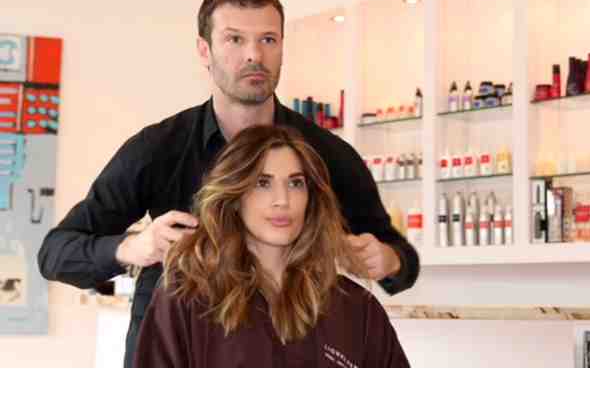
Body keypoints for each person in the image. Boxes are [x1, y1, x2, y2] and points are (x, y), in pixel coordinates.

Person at [38, 0, 419, 367]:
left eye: (268, 39)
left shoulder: (327, 154)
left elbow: (399, 260)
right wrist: (135, 247)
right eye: (235, 39)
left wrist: (386, 259)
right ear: (204, 50)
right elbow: (55, 253)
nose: (254, 55)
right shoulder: (158, 149)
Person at [134, 125, 409, 367]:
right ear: (235, 196)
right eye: (262, 183)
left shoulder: (357, 308)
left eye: (296, 183)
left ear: (311, 198)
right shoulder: (186, 297)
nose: (282, 200)